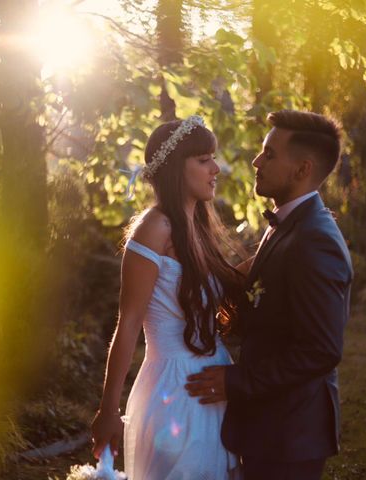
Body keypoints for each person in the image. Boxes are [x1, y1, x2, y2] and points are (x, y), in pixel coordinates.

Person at [185, 110, 353, 480]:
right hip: (271, 424)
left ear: (302, 169)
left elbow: (322, 349)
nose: (256, 161)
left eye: (269, 154)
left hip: (291, 433)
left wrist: (235, 381)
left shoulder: (315, 241)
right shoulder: (289, 224)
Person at [91, 115, 244, 480]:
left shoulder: (198, 228)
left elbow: (233, 283)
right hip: (174, 390)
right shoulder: (154, 229)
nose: (216, 168)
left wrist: (279, 241)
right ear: (177, 167)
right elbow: (127, 324)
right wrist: (108, 410)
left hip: (214, 384)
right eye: (204, 159)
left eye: (213, 158)